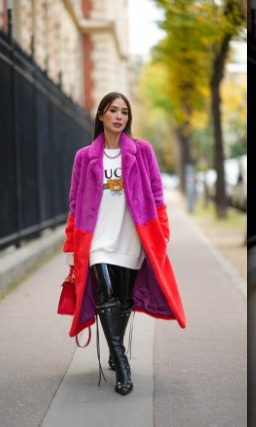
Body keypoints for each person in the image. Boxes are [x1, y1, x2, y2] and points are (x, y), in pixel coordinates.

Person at [59, 91, 187, 395]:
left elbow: (157, 194)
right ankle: (122, 364)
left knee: (124, 300)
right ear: (101, 115)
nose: (119, 116)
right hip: (98, 240)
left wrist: (163, 232)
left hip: (132, 237)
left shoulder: (141, 151)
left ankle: (116, 356)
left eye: (124, 112)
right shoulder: (84, 156)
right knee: (106, 299)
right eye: (113, 110)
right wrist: (70, 244)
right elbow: (75, 203)